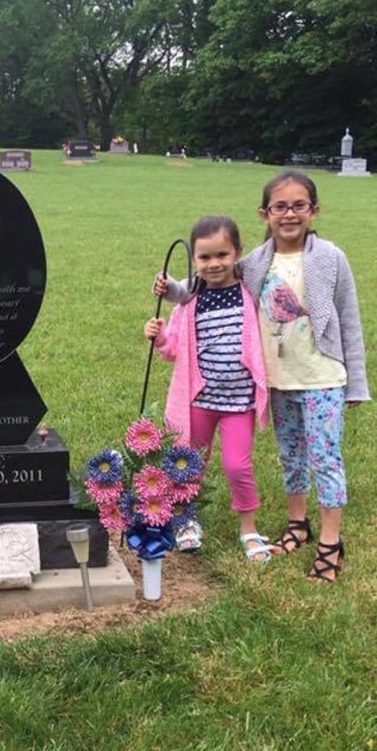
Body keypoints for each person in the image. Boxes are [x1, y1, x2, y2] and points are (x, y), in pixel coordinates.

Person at [156, 171, 370, 581]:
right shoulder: (254, 261)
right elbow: (204, 280)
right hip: (277, 380)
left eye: (299, 205)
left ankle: (331, 542)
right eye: (280, 207)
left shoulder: (330, 258)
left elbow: (349, 319)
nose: (289, 214)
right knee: (290, 455)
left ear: (314, 210)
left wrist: (355, 382)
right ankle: (297, 525)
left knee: (325, 458)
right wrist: (169, 290)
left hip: (322, 376)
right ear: (265, 214)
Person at [146, 215, 272, 562]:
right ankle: (186, 519)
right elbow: (173, 351)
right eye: (204, 257)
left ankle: (248, 527)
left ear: (237, 254)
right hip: (199, 400)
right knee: (189, 463)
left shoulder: (250, 295)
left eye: (222, 255)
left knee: (237, 465)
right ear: (194, 261)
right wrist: (160, 338)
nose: (214, 264)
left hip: (238, 402)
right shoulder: (190, 302)